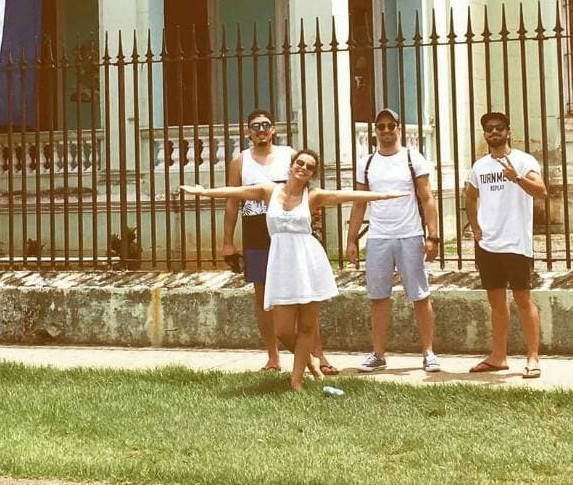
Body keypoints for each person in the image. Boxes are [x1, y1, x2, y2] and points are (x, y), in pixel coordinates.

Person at [183, 149, 402, 391]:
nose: (303, 168)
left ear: (312, 174)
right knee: (283, 331)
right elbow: (235, 192)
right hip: (280, 265)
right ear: (291, 165)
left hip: (308, 263)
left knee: (307, 326)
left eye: (309, 167)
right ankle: (309, 360)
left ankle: (296, 381)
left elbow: (345, 195)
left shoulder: (313, 196)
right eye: (300, 163)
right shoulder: (269, 191)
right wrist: (203, 192)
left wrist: (385, 195)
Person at [223, 110, 337, 374]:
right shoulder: (240, 162)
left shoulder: (289, 155)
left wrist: (315, 225)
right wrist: (228, 240)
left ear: (273, 129)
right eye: (255, 126)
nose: (261, 130)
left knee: (305, 295)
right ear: (247, 132)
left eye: (266, 125)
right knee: (264, 296)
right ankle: (273, 357)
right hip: (256, 229)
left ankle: (318, 355)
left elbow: (309, 192)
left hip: (291, 232)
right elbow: (232, 202)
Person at [346, 108, 441, 374]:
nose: (386, 131)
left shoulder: (413, 158)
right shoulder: (366, 162)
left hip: (410, 234)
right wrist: (352, 240)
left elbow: (427, 198)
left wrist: (433, 235)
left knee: (420, 295)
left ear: (399, 128)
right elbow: (358, 204)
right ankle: (378, 353)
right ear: (375, 130)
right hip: (378, 237)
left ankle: (428, 352)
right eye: (381, 126)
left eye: (391, 126)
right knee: (378, 297)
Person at [465, 111, 547, 379]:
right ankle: (498, 356)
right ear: (485, 134)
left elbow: (542, 192)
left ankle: (532, 357)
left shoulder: (524, 161)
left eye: (499, 128)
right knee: (496, 301)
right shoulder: (479, 167)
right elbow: (471, 196)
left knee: (523, 299)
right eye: (489, 129)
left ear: (508, 131)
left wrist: (516, 177)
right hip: (488, 244)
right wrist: (476, 226)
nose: (494, 132)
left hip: (516, 242)